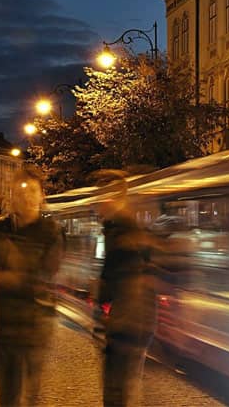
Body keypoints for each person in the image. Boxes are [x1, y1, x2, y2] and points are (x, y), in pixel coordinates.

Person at [0, 167, 63, 407]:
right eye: (20, 191)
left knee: (30, 396)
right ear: (12, 195)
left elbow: (45, 277)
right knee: (8, 396)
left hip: (35, 327)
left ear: (41, 196)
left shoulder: (52, 232)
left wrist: (5, 278)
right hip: (1, 329)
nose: (26, 197)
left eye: (32, 191)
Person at [94, 171, 156, 407]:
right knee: (120, 390)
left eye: (100, 195)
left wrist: (106, 310)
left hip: (128, 324)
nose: (97, 202)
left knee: (116, 392)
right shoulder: (119, 228)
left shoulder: (122, 232)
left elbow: (121, 279)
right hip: (131, 323)